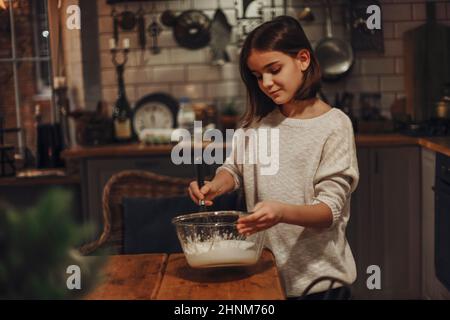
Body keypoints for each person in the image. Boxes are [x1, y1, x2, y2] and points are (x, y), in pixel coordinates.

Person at [188, 16, 359, 300]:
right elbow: (234, 169)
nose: (266, 83)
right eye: (257, 75)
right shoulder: (258, 122)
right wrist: (215, 185)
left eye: (274, 69)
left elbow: (329, 211)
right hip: (266, 276)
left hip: (319, 284)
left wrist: (281, 212)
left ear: (303, 59)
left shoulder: (334, 125)